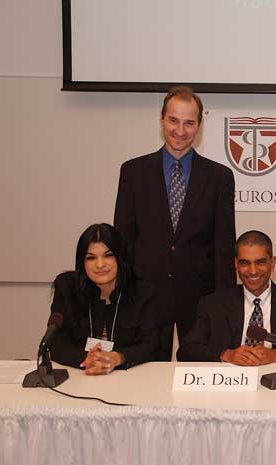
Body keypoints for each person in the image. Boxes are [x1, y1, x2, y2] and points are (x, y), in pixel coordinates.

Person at [114, 86, 236, 361]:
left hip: (201, 300)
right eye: (174, 120)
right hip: (145, 297)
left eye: (189, 122)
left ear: (199, 126)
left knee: (202, 379)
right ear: (161, 119)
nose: (180, 130)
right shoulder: (133, 172)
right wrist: (125, 296)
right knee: (143, 381)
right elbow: (123, 241)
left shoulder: (219, 178)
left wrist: (225, 306)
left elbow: (224, 247)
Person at [177, 230, 276, 365]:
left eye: (260, 262)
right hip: (229, 386)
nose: (253, 271)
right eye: (245, 263)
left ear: (272, 263)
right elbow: (187, 350)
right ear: (236, 264)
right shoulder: (213, 305)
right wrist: (226, 355)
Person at [50, 224, 158, 375]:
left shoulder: (143, 292)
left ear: (120, 258)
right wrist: (87, 358)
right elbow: (55, 343)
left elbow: (150, 345)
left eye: (108, 255)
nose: (100, 265)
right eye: (91, 257)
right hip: (79, 377)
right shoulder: (67, 288)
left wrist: (116, 358)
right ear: (82, 262)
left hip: (129, 380)